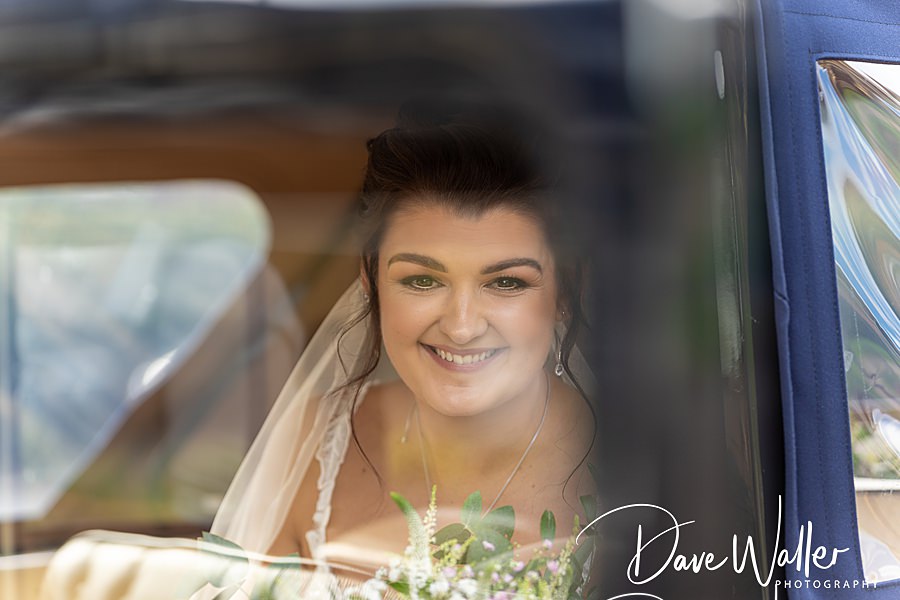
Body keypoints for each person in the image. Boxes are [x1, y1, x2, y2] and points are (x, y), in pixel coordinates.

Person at [209, 101, 597, 582]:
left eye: (506, 283)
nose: (460, 326)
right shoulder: (314, 445)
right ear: (370, 283)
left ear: (565, 292)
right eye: (421, 281)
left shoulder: (636, 464)